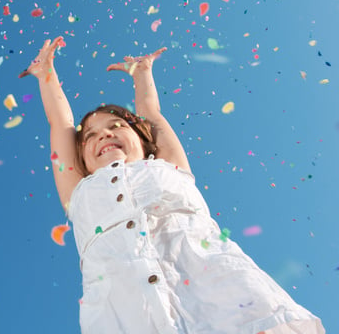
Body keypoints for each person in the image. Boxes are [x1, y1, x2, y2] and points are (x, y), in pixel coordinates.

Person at [22, 37, 325, 334]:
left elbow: (150, 114)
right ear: (81, 162)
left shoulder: (168, 166)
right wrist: (46, 74)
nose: (103, 134)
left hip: (217, 292)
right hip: (126, 314)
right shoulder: (78, 192)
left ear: (143, 142)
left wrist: (142, 73)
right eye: (90, 135)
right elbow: (61, 125)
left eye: (116, 126)